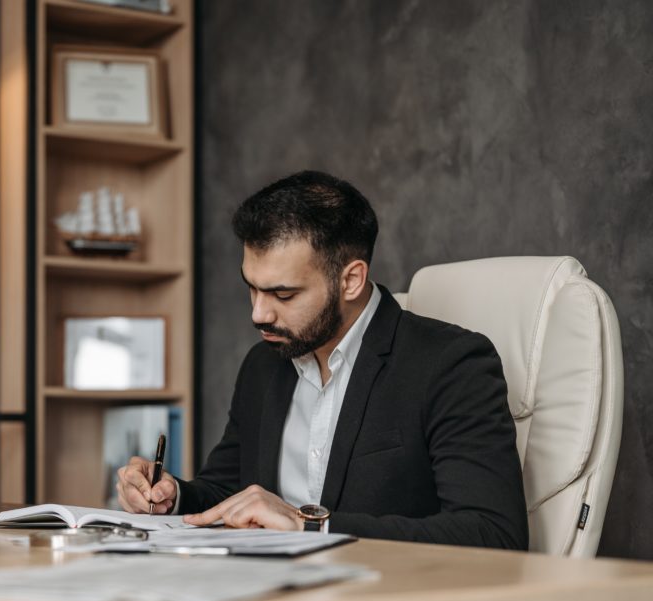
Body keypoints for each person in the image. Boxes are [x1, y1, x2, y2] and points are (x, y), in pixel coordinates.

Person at [116, 170, 529, 549]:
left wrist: (310, 528)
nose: (258, 314)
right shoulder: (264, 365)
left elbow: (493, 533)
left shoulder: (451, 364)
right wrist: (172, 497)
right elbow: (227, 489)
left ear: (351, 280)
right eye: (252, 288)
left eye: (283, 294)